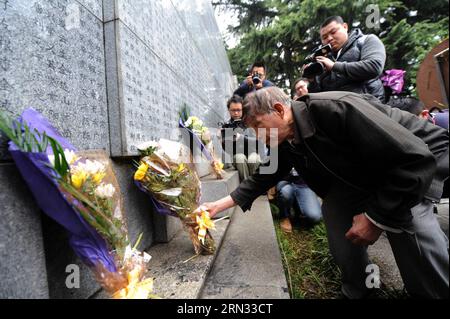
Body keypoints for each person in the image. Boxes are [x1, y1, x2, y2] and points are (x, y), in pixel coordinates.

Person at [199, 87, 449, 299]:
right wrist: (216, 206)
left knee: (409, 224)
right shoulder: (285, 139)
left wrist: (375, 218)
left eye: (258, 126)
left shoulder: (337, 108)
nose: (257, 136)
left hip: (410, 165)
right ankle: (359, 289)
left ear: (278, 110)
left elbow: (413, 158)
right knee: (335, 210)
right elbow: (263, 177)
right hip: (363, 176)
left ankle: (434, 291)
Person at [306, 16, 386, 102]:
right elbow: (318, 96)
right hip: (336, 111)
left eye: (333, 32)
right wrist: (312, 81)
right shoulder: (323, 59)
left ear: (345, 27)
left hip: (368, 107)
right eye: (324, 37)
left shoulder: (366, 40)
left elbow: (374, 67)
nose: (329, 38)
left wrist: (334, 66)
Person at [220, 95, 261, 181]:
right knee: (239, 158)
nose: (236, 113)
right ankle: (246, 188)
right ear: (229, 110)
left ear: (243, 110)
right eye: (233, 110)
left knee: (253, 159)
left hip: (253, 152)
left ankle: (256, 186)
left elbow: (259, 142)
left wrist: (241, 137)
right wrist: (222, 141)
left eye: (238, 110)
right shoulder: (226, 126)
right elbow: (227, 150)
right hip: (237, 154)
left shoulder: (251, 122)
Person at [277, 168, 322, 233]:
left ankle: (302, 207)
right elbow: (270, 163)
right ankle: (284, 216)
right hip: (285, 182)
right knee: (285, 193)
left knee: (315, 216)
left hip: (304, 184)